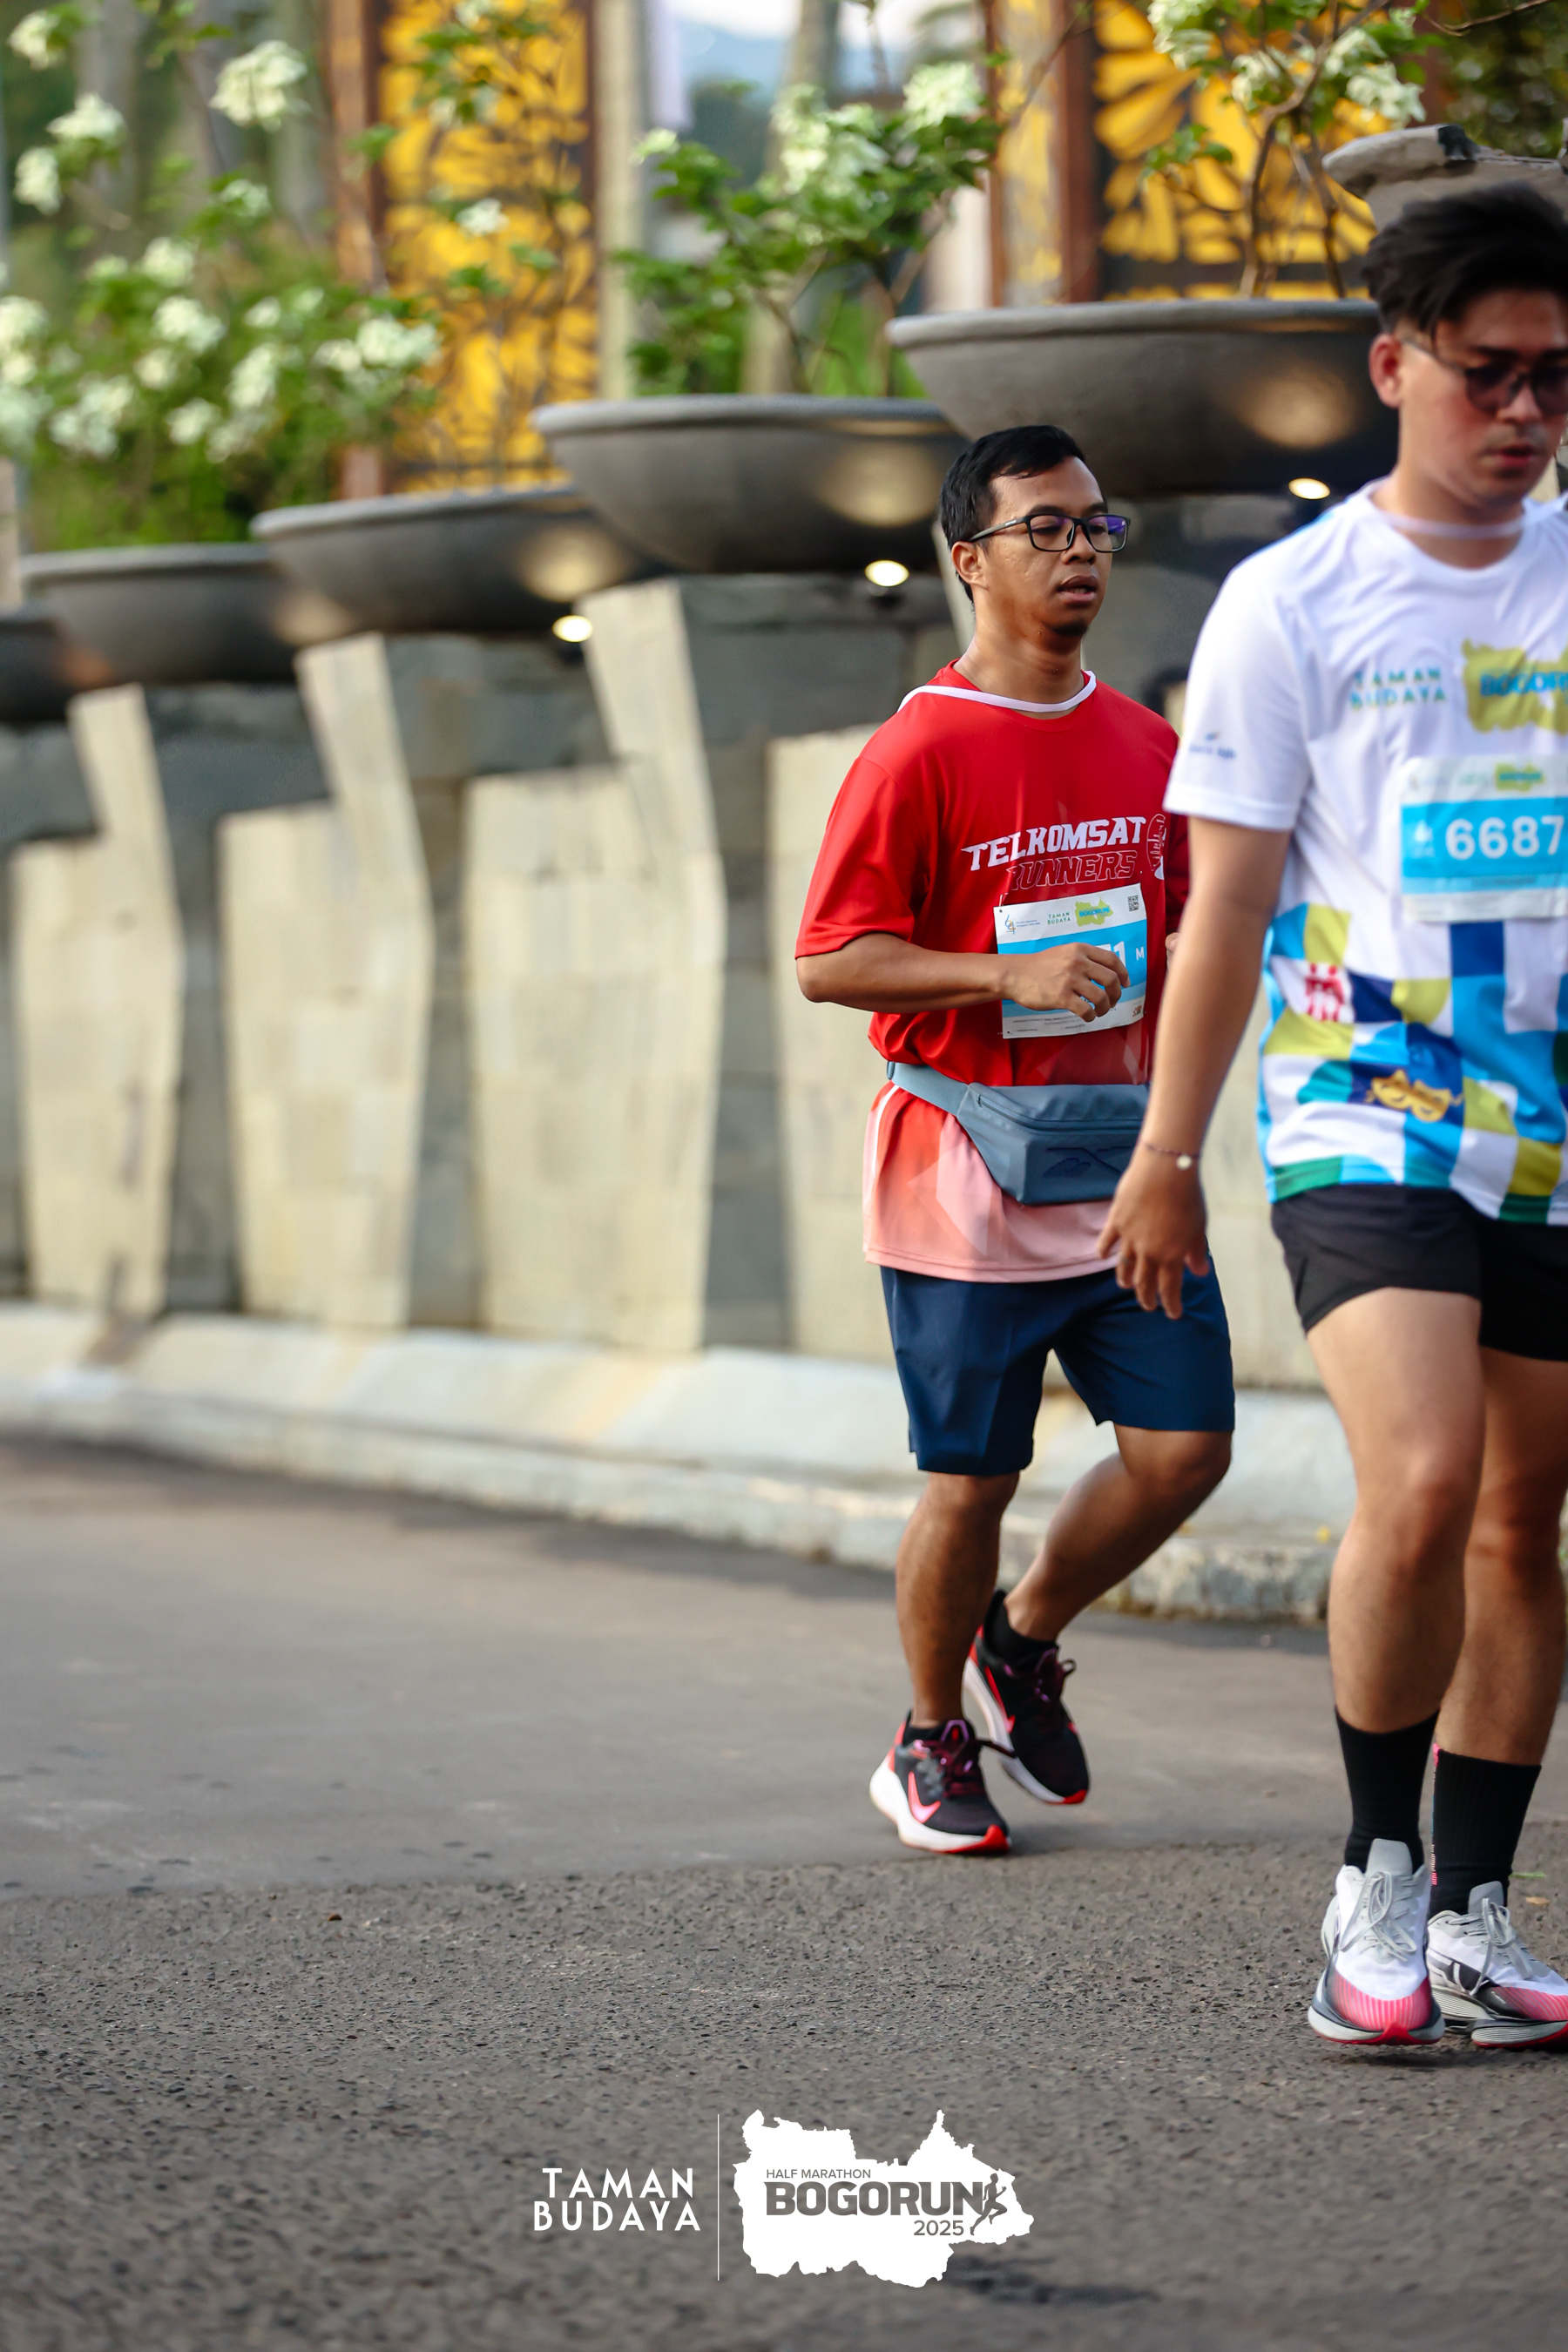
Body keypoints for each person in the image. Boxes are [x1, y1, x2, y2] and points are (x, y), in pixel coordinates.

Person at [1100, 185, 1568, 2045]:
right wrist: (1165, 1154)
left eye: (1556, 377)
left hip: (1556, 1109)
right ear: (1394, 368)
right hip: (1366, 1090)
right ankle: (1372, 1874)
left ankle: (1474, 1911)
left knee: (1523, 1523)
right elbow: (1222, 906)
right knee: (1429, 1476)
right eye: (1486, 372)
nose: (1524, 410)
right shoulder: (1290, 603)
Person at [794, 425, 1235, 1856]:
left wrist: (1182, 1138)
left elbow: (1197, 941)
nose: (1080, 551)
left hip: (1123, 1165)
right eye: (1045, 528)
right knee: (973, 1481)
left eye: (1097, 526)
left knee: (1185, 1450)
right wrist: (1005, 973)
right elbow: (831, 959)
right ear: (970, 560)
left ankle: (1020, 1637)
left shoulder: (1151, 748)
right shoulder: (919, 746)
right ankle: (927, 1739)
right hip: (963, 1169)